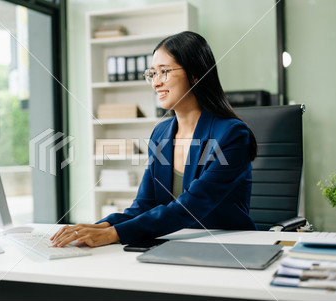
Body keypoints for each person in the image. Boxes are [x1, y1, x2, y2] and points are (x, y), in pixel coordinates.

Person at [51, 31, 258, 248]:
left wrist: (114, 234)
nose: (155, 83)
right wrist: (98, 227)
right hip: (177, 244)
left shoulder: (232, 134)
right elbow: (144, 205)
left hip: (231, 247)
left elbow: (189, 207)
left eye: (164, 72)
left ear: (196, 75)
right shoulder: (161, 134)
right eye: (152, 74)